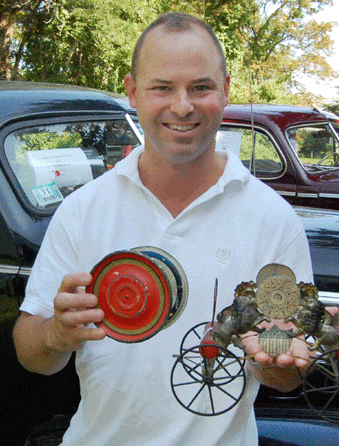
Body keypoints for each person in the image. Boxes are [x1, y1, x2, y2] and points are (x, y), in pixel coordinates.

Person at [13, 12, 314, 446]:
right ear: (132, 91)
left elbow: (286, 378)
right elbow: (31, 352)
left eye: (201, 87)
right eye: (162, 88)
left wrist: (276, 359)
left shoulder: (273, 220)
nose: (182, 105)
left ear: (225, 90)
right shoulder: (83, 209)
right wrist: (57, 334)